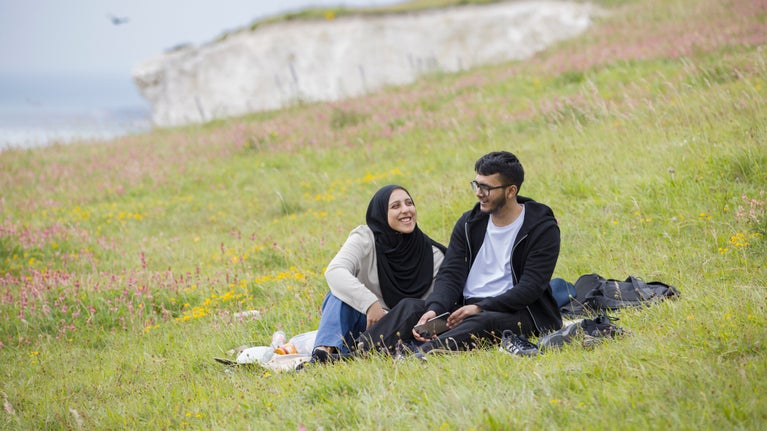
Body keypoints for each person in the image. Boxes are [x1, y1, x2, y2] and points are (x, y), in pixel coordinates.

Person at [357, 151, 562, 355]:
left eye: (486, 188)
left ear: (510, 191)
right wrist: (435, 309)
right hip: (466, 306)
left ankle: (422, 354)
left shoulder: (541, 228)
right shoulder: (469, 223)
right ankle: (354, 353)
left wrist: (481, 307)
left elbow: (531, 287)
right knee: (411, 307)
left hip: (517, 311)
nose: (478, 193)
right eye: (477, 185)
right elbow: (451, 273)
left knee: (483, 321)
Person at [309, 184, 446, 363]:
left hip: (402, 329)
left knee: (411, 305)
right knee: (337, 296)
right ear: (381, 213)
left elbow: (439, 302)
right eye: (396, 206)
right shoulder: (365, 238)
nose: (406, 210)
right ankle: (323, 352)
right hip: (364, 321)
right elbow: (335, 271)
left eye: (409, 203)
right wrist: (370, 303)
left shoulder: (433, 254)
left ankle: (350, 356)